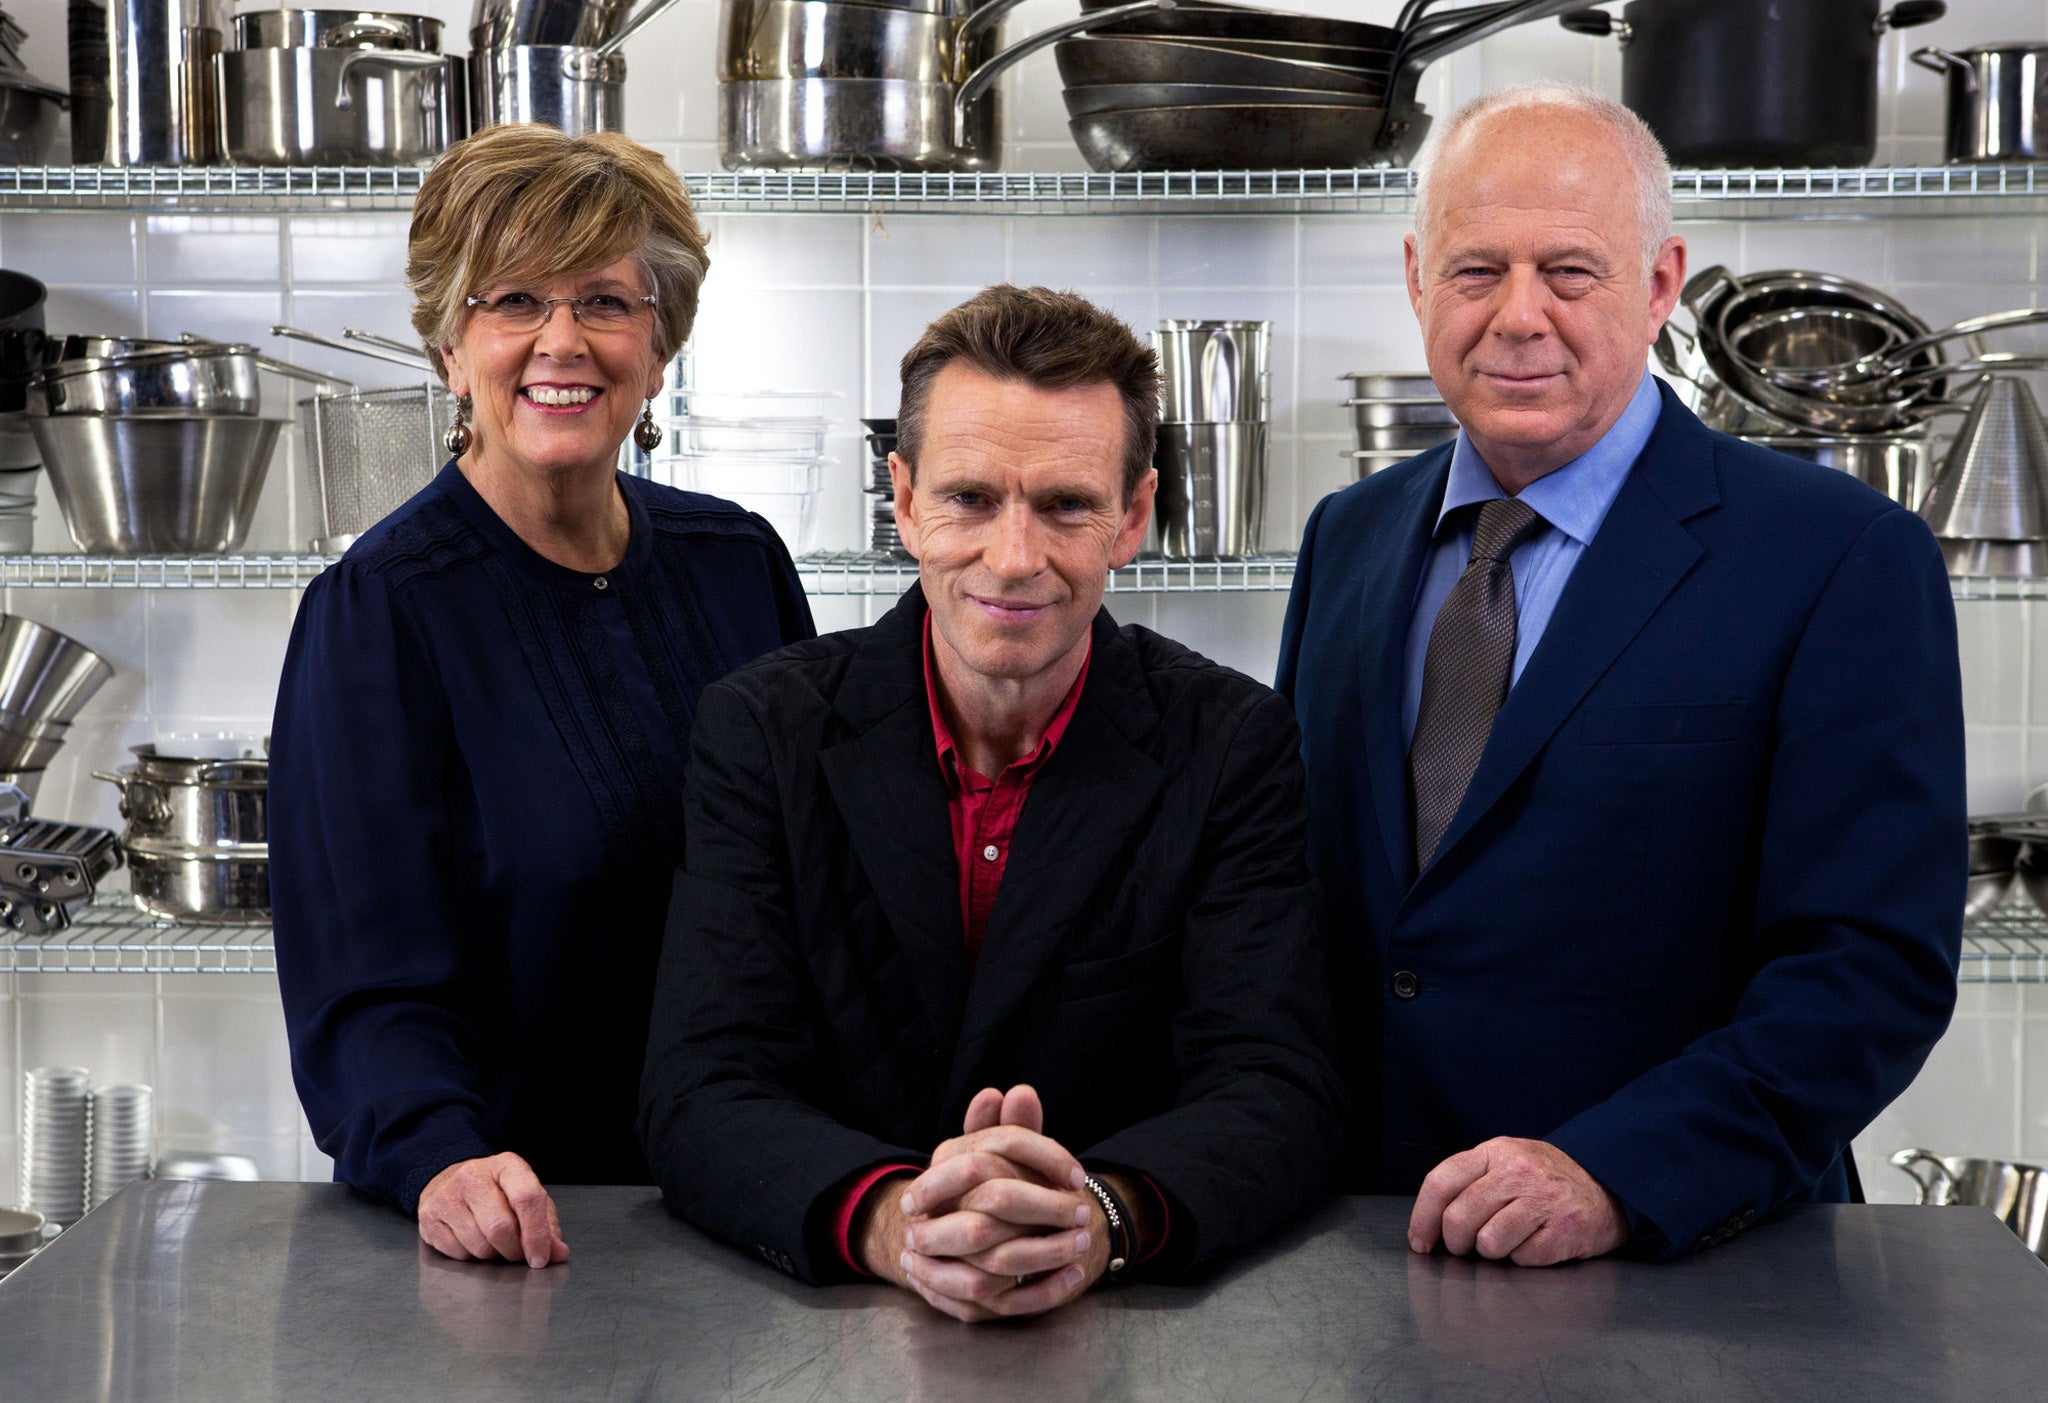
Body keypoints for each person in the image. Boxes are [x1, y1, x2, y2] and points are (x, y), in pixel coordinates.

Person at [1276, 85, 1965, 1266]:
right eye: (1474, 269)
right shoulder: (1347, 534)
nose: (1517, 317)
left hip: (1688, 1261)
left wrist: (1616, 1169)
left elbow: (1869, 965)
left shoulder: (1838, 555)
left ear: (1657, 285)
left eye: (1570, 271)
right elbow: (1311, 906)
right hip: (1367, 1245)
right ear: (1413, 279)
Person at [638, 284, 1344, 1321]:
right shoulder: (761, 730)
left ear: (1133, 516)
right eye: (970, 498)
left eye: (1064, 504)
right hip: (818, 1332)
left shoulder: (1229, 740)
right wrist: (896, 1221)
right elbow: (700, 1084)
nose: (1013, 558)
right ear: (905, 499)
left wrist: (1098, 1212)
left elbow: (1276, 1083)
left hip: (1126, 1333)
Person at [271, 125, 814, 1270]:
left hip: (753, 1199)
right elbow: (363, 986)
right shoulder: (377, 612)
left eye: (605, 302)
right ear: (448, 348)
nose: (560, 340)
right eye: (512, 298)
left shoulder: (740, 563)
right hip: (516, 1230)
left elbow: (814, 896)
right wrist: (438, 1156)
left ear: (658, 347)